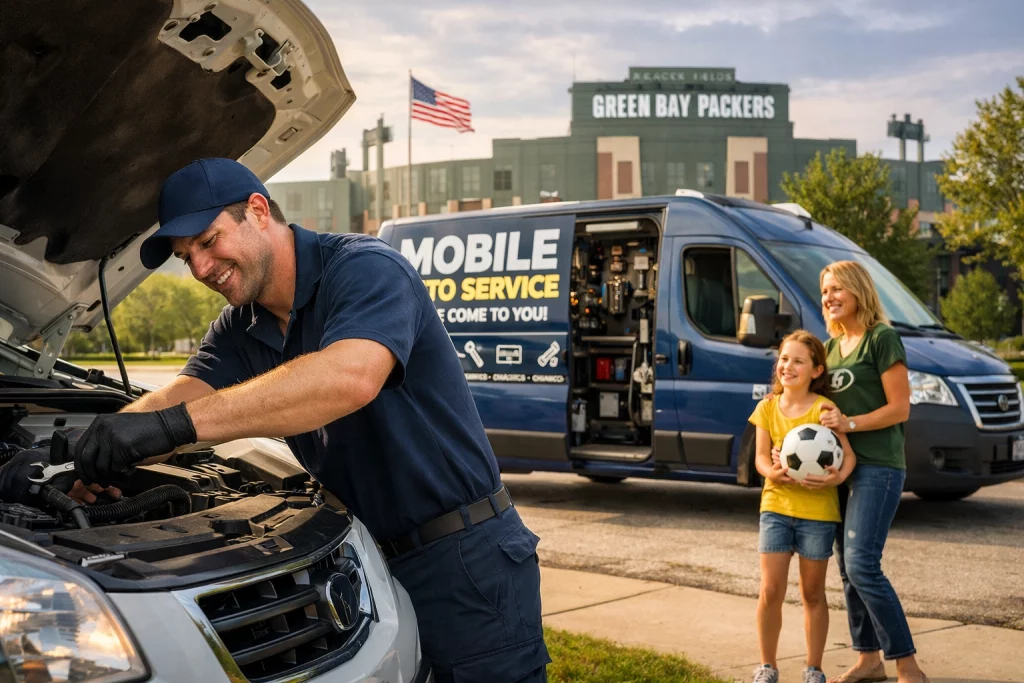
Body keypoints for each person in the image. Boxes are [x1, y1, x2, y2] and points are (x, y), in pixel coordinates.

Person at [64, 158, 549, 682]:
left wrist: (171, 427)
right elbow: (176, 400)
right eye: (187, 258)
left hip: (463, 560)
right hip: (362, 561)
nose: (201, 269)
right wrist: (102, 445)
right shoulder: (240, 327)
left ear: (256, 211)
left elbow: (350, 377)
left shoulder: (366, 269)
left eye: (208, 242)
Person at [818, 261, 929, 683]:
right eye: (825, 290)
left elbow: (900, 407)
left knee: (863, 564)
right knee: (847, 568)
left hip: (878, 467)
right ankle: (868, 660)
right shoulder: (829, 350)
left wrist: (850, 423)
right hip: (840, 470)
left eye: (837, 289)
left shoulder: (882, 339)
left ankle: (908, 664)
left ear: (859, 290)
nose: (829, 297)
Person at [749, 330, 856, 683]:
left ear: (816, 371)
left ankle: (814, 669)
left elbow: (849, 458)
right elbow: (761, 460)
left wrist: (835, 479)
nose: (788, 366)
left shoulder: (823, 409)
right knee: (770, 591)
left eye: (798, 361)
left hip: (818, 514)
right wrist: (774, 473)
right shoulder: (767, 407)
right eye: (783, 359)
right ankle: (768, 666)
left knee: (812, 594)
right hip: (776, 507)